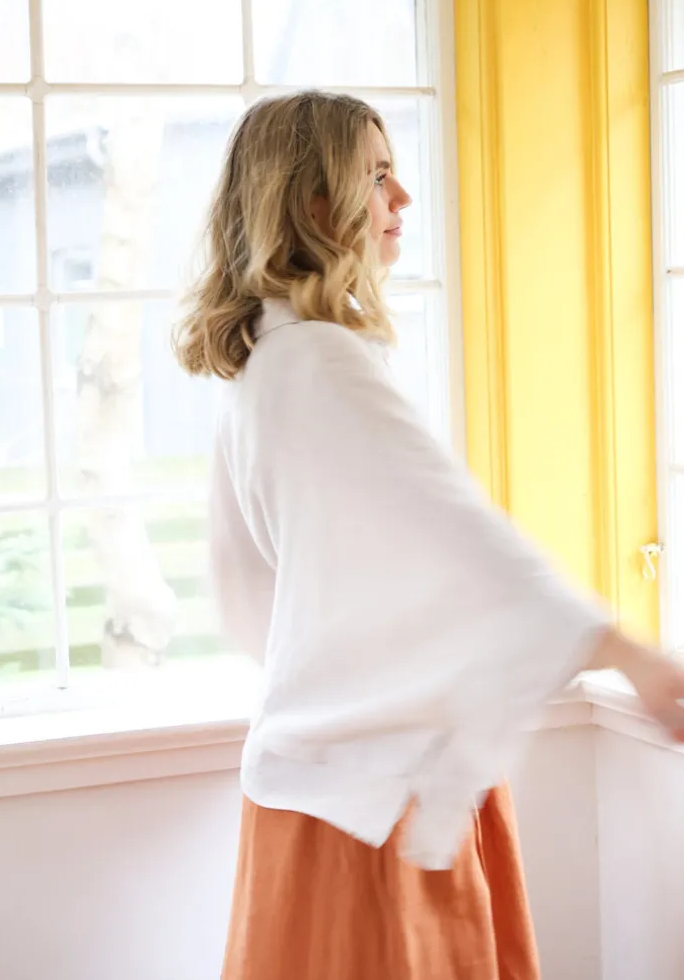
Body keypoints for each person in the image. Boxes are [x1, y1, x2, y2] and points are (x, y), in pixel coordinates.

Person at [173, 91, 684, 980]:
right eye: (376, 176)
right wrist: (626, 650)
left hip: (316, 781)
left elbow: (250, 588)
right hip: (374, 797)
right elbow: (456, 532)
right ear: (314, 203)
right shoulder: (319, 360)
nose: (401, 198)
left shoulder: (263, 362)